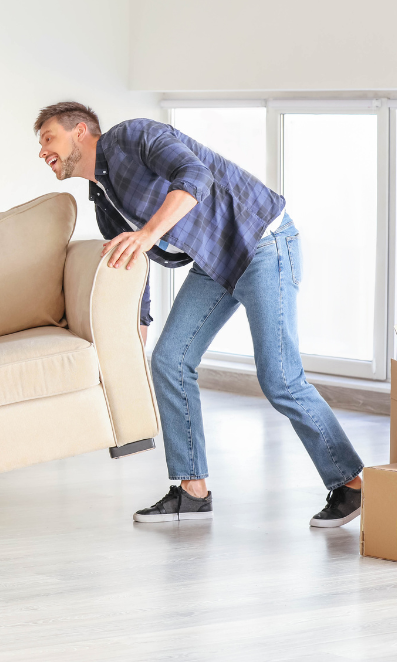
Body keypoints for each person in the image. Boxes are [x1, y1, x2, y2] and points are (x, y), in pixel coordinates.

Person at [35, 102, 364, 528]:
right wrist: (136, 330)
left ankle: (351, 484)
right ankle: (193, 491)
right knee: (169, 360)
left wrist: (148, 232)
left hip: (261, 243)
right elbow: (132, 260)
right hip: (216, 260)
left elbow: (196, 177)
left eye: (48, 139)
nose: (42, 151)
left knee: (280, 378)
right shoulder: (101, 195)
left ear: (80, 131)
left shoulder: (134, 136)